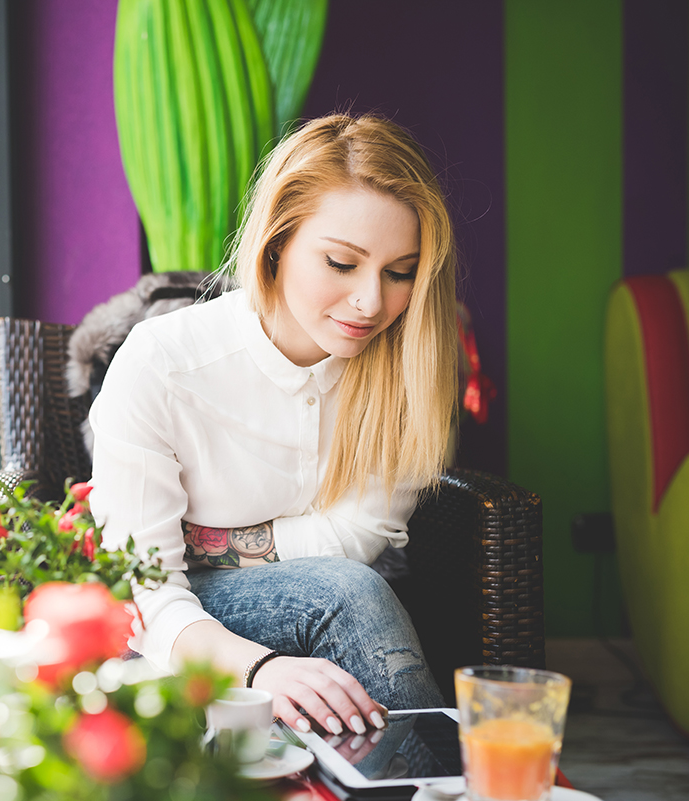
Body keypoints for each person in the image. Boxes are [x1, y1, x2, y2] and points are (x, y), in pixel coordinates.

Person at [88, 113, 458, 737]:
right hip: (166, 627)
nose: (372, 303)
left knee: (345, 589)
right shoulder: (164, 362)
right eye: (342, 263)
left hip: (325, 601)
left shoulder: (409, 364)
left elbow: (358, 540)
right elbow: (145, 589)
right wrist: (262, 669)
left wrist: (202, 540)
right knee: (347, 594)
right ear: (278, 242)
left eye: (400, 273)